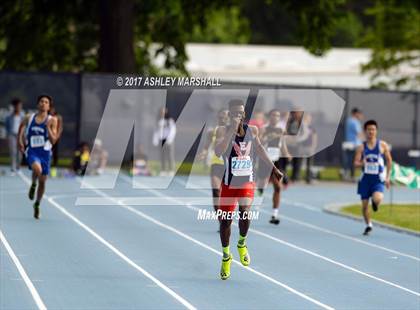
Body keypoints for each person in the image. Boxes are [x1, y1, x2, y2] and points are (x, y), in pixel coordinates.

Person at [214, 99, 283, 280]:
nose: (239, 116)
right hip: (229, 183)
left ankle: (242, 243)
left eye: (241, 113)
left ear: (245, 114)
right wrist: (231, 130)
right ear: (230, 115)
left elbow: (259, 149)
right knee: (225, 223)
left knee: (245, 211)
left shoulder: (253, 130)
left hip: (246, 181)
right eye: (235, 113)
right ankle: (226, 256)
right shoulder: (222, 130)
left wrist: (274, 169)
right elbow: (218, 151)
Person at [18, 95, 59, 219]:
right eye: (41, 101)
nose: (43, 103)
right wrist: (20, 142)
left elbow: (53, 141)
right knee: (38, 170)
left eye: (46, 102)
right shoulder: (29, 118)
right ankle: (33, 184)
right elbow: (21, 130)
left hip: (45, 153)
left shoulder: (53, 120)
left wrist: (48, 128)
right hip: (32, 151)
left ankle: (37, 204)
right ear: (38, 104)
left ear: (49, 106)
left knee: (43, 181)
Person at [354, 120, 392, 236]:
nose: (371, 132)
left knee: (378, 199)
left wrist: (387, 177)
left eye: (373, 129)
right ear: (366, 131)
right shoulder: (361, 147)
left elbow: (389, 161)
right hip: (365, 180)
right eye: (369, 129)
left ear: (376, 131)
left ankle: (375, 204)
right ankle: (369, 225)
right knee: (365, 206)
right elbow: (355, 163)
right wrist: (362, 163)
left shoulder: (382, 145)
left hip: (377, 179)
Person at [256, 109, 291, 225]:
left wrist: (286, 153)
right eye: (273, 115)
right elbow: (258, 143)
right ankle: (258, 196)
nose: (275, 117)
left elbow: (282, 144)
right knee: (261, 184)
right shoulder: (264, 129)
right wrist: (267, 138)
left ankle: (274, 214)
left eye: (277, 115)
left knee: (278, 187)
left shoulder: (281, 130)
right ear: (269, 117)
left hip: (276, 161)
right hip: (265, 160)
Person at [197, 108, 229, 230]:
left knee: (227, 196)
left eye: (225, 117)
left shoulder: (233, 130)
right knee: (216, 192)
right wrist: (204, 153)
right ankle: (221, 221)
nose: (223, 119)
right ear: (218, 118)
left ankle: (227, 217)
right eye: (221, 117)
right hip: (216, 164)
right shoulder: (212, 131)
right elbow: (207, 146)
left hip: (229, 166)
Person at [153, 107, 176, 176]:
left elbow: (173, 130)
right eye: (161, 112)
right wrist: (155, 140)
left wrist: (169, 139)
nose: (163, 114)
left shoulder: (170, 120)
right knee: (162, 156)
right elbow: (156, 131)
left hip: (169, 141)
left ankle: (171, 170)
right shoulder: (158, 121)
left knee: (170, 155)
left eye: (164, 112)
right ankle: (163, 170)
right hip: (161, 140)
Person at [343, 108, 364, 181]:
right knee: (355, 160)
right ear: (356, 114)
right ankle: (352, 176)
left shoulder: (348, 121)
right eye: (360, 114)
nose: (361, 116)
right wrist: (366, 141)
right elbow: (359, 134)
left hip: (349, 144)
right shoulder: (355, 122)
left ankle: (347, 175)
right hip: (355, 145)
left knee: (349, 160)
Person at [5, 98, 25, 175]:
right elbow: (6, 126)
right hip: (12, 135)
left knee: (20, 152)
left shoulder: (22, 115)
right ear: (14, 106)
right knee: (13, 152)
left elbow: (24, 126)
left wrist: (23, 136)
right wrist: (8, 135)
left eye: (20, 106)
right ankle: (13, 169)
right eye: (17, 106)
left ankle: (18, 168)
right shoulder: (9, 115)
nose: (19, 107)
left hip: (20, 135)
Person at [49, 106, 63, 177]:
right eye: (50, 109)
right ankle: (45, 169)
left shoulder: (58, 117)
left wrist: (56, 136)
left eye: (52, 109)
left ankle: (53, 170)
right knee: (47, 152)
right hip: (48, 138)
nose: (51, 110)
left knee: (55, 154)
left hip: (55, 138)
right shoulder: (48, 117)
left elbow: (60, 128)